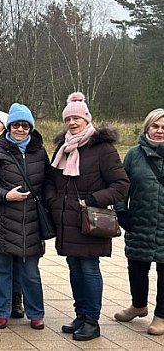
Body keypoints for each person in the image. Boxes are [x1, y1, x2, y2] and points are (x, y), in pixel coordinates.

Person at [44, 92, 128, 341]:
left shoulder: (103, 148)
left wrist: (92, 200)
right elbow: (51, 180)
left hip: (90, 219)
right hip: (67, 220)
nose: (72, 123)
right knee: (74, 267)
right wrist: (53, 200)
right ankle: (80, 314)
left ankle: (92, 320)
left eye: (77, 118)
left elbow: (121, 185)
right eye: (68, 118)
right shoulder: (63, 148)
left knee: (89, 268)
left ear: (87, 119)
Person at [0, 103, 49, 330]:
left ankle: (36, 313)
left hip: (30, 221)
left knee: (30, 273)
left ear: (31, 128)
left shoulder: (39, 152)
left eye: (25, 126)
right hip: (1, 219)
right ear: (9, 127)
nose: (20, 129)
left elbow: (48, 184)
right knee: (1, 270)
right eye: (16, 125)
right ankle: (1, 311)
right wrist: (5, 195)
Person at [114, 108, 164, 335]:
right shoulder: (134, 154)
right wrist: (122, 212)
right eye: (155, 126)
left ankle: (161, 316)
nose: (159, 131)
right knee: (136, 266)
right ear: (147, 128)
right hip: (140, 220)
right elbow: (122, 186)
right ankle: (138, 305)